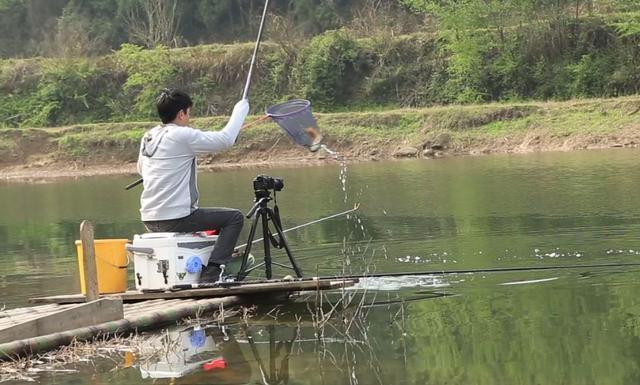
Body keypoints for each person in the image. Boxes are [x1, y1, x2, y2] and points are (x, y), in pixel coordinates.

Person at [137, 88, 250, 283]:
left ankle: (197, 270)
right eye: (189, 113)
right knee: (234, 218)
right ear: (181, 114)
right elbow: (226, 140)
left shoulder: (149, 136)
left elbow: (141, 169)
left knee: (207, 228)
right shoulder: (182, 135)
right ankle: (213, 272)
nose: (189, 118)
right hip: (176, 218)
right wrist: (240, 111)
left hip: (149, 217)